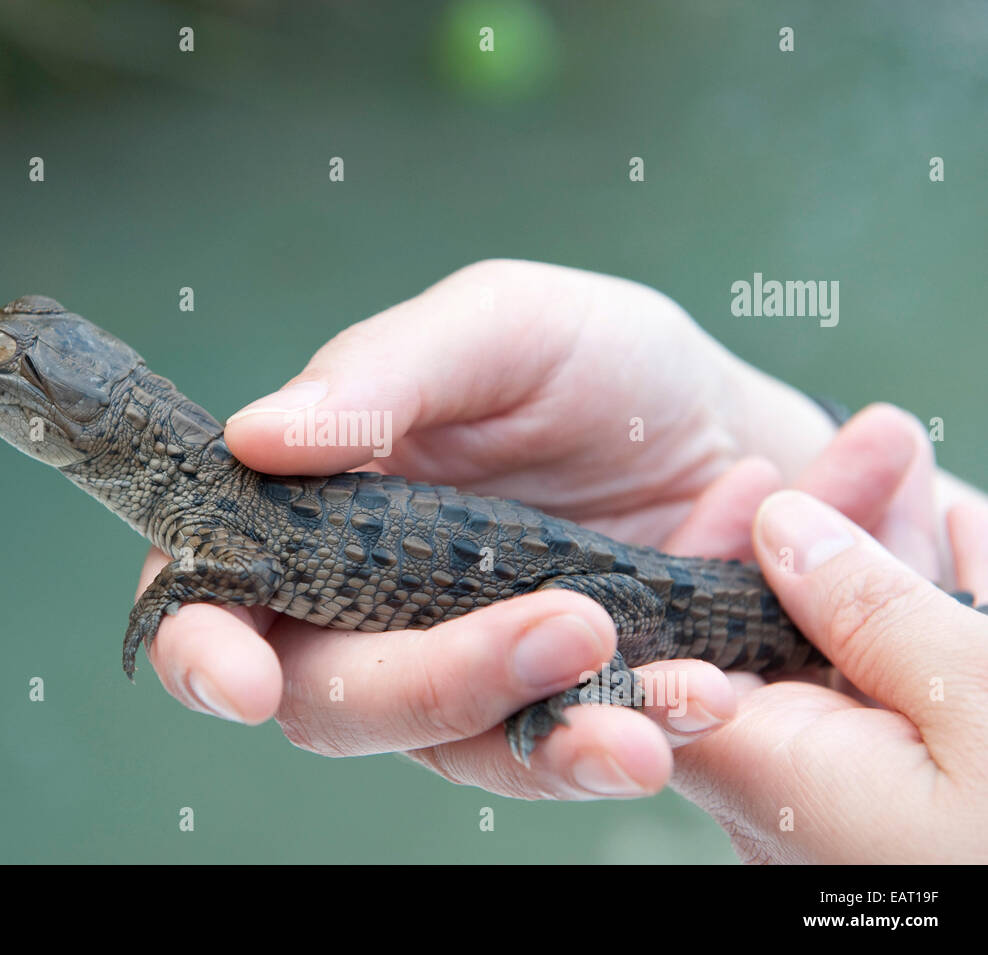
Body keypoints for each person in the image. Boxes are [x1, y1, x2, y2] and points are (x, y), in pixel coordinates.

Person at [133, 260, 988, 863]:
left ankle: (599, 681)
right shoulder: (209, 501)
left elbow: (254, 575)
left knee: (586, 656)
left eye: (2, 358)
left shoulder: (212, 511)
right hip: (621, 581)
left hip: (625, 593)